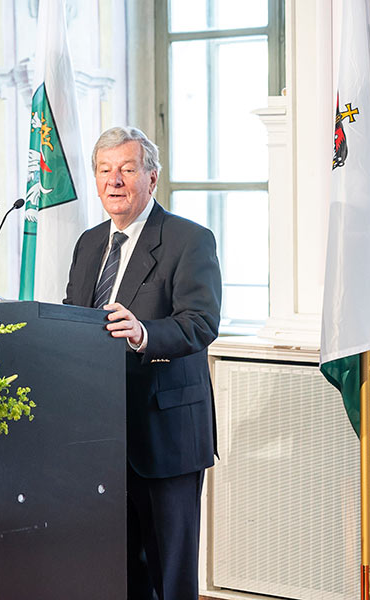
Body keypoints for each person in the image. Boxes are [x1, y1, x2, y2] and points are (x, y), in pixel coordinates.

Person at [64, 126, 221, 599]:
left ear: (152, 179)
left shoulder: (189, 240)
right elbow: (71, 318)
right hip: (101, 434)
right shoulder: (90, 243)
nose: (115, 181)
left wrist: (144, 333)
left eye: (127, 170)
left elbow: (200, 323)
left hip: (165, 432)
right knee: (116, 570)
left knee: (168, 576)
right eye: (105, 171)